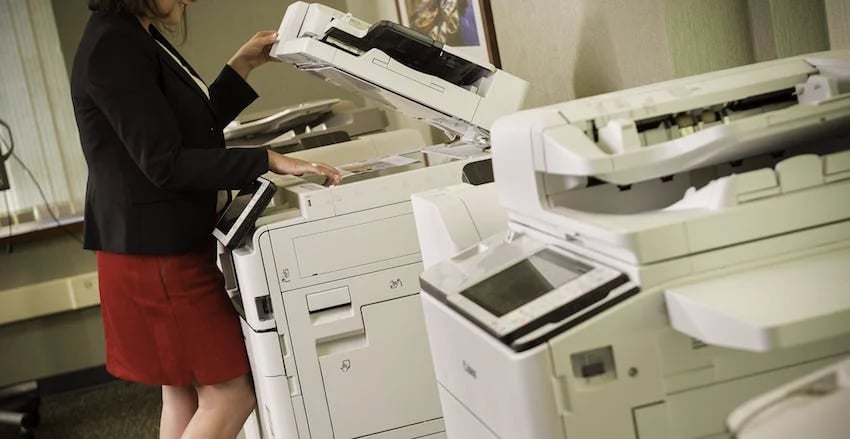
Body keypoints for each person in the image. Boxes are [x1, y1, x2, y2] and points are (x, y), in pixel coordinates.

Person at [70, 1, 340, 438]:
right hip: (157, 258)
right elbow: (165, 163)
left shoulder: (130, 31)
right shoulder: (114, 45)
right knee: (232, 394)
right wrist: (266, 159)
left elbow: (184, 128)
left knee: (184, 392)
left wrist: (242, 66)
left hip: (154, 246)